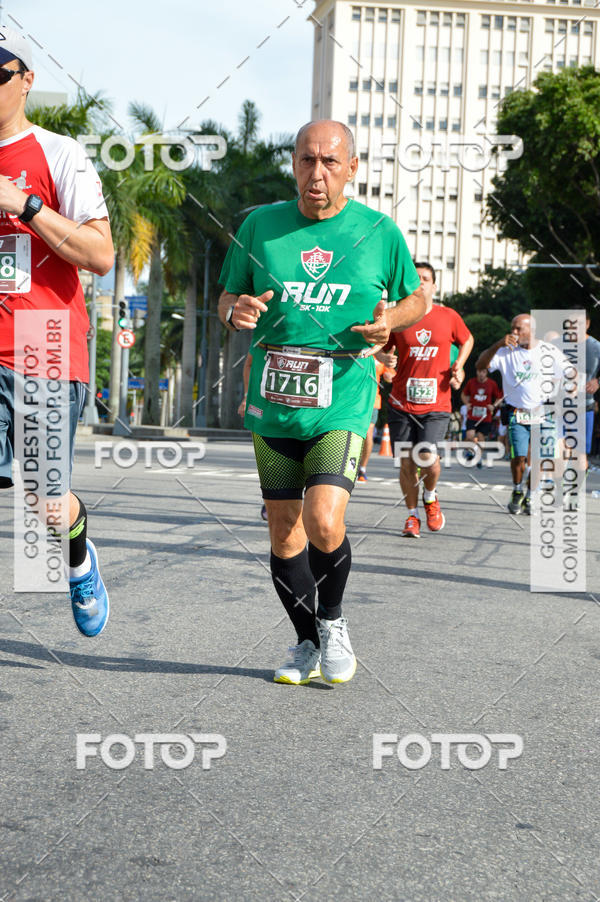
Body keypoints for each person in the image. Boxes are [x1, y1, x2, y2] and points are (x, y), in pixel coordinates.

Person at [218, 119, 425, 685]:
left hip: (344, 394)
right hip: (273, 398)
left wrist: (390, 321)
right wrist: (234, 311)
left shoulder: (379, 232)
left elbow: (417, 297)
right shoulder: (260, 226)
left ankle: (332, 621)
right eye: (307, 160)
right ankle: (306, 642)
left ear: (352, 169)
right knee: (284, 529)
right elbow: (226, 296)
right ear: (293, 165)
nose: (317, 172)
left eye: (330, 162)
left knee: (322, 519)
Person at [0, 29, 114, 634]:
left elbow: (100, 255)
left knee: (44, 505)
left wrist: (25, 206)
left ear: (25, 80)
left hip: (43, 344)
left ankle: (76, 561)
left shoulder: (58, 153)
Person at [383, 263, 473, 538]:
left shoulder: (448, 316)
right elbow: (378, 346)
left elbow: (467, 340)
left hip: (437, 404)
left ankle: (430, 498)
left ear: (434, 286)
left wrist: (459, 363)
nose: (421, 283)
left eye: (426, 279)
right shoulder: (397, 317)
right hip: (400, 402)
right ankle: (412, 517)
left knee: (426, 456)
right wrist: (383, 359)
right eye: (416, 278)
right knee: (406, 462)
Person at [476, 314, 568, 515]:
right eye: (512, 328)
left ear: (531, 330)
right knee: (518, 458)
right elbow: (480, 366)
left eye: (519, 329)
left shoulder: (548, 351)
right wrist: (497, 344)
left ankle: (531, 495)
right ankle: (518, 489)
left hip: (544, 412)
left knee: (537, 458)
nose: (514, 333)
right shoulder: (505, 351)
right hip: (517, 413)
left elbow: (568, 373)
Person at [357, 353, 396, 482]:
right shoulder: (356, 349)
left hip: (372, 402)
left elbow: (391, 376)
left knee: (368, 435)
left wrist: (389, 376)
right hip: (352, 401)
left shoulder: (380, 354)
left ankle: (362, 468)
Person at [461, 366, 503, 468]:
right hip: (473, 415)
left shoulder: (492, 384)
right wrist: (466, 403)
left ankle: (478, 457)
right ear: (476, 372)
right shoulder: (471, 382)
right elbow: (463, 394)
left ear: (486, 373)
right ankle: (469, 450)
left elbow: (499, 397)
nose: (481, 374)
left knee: (480, 437)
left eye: (483, 372)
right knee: (470, 435)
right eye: (479, 371)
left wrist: (493, 406)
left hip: (485, 416)